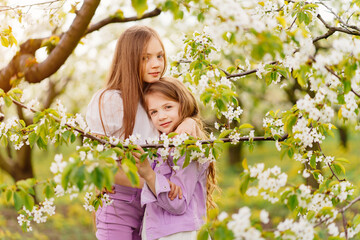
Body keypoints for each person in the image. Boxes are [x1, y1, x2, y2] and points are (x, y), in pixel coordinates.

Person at [86, 26, 196, 240]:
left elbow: (183, 111)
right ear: (128, 60)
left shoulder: (154, 99)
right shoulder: (110, 100)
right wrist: (154, 182)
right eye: (145, 58)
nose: (156, 64)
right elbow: (99, 166)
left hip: (154, 208)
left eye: (159, 56)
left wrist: (190, 122)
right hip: (120, 203)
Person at [133, 77, 217, 240]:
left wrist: (149, 175)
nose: (161, 116)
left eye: (168, 107)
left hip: (178, 234)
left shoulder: (185, 146)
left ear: (183, 104)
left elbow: (178, 203)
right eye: (154, 112)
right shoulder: (163, 144)